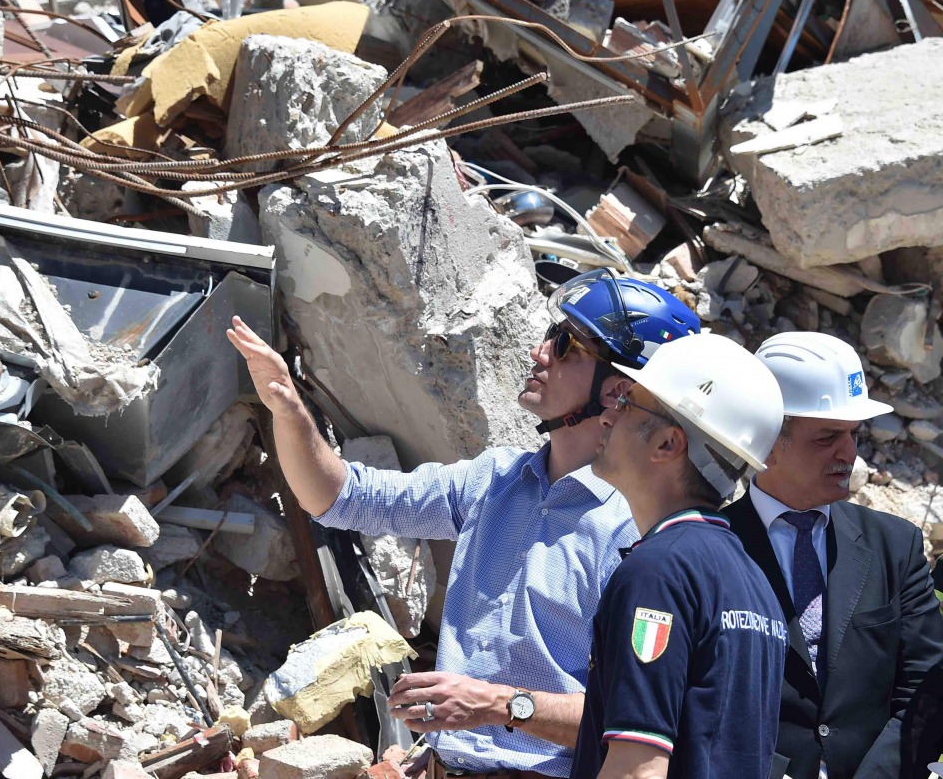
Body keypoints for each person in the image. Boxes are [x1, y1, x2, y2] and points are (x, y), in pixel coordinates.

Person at [227, 269, 701, 778]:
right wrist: (288, 407)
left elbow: (637, 724)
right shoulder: (494, 480)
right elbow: (341, 497)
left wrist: (498, 706)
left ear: (617, 391)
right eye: (550, 335)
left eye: (568, 347)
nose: (540, 353)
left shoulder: (634, 535)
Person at [722, 332, 943, 779]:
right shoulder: (709, 548)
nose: (849, 452)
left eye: (853, 433)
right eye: (826, 437)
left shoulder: (894, 547)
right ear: (765, 438)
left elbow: (926, 689)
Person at [572, 332, 788, 779]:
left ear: (668, 444)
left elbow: (638, 770)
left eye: (628, 402)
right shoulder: (754, 581)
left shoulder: (657, 572)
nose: (608, 415)